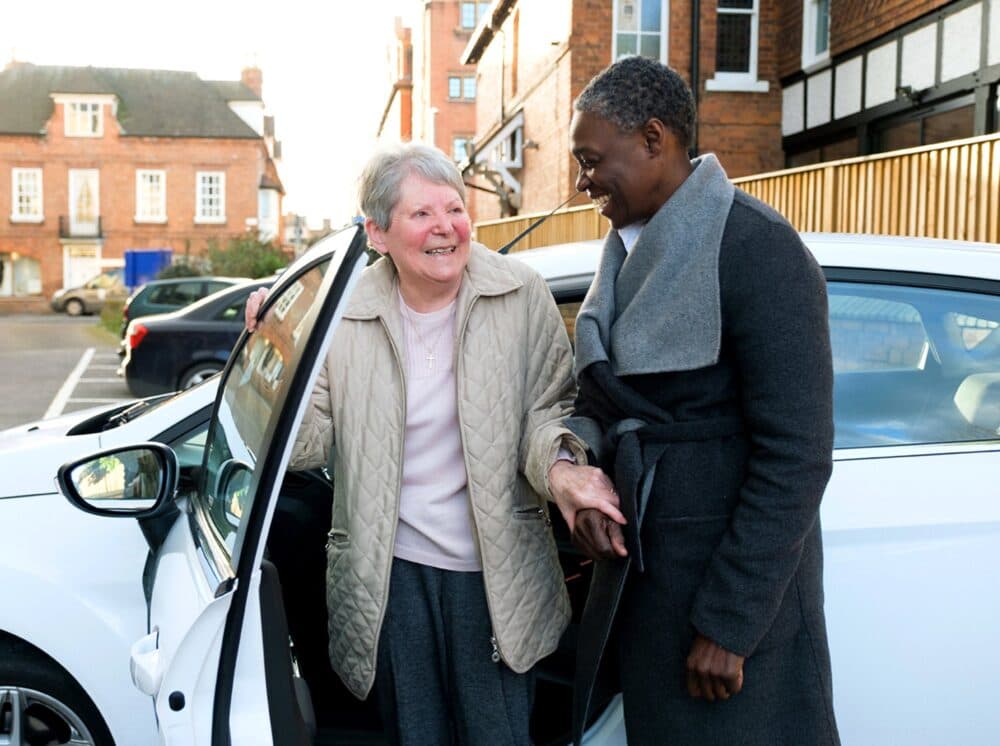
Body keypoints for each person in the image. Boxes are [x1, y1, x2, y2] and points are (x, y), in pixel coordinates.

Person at [245, 143, 622, 745]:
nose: (445, 227)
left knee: (496, 735)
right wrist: (278, 348)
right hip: (389, 575)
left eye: (454, 208)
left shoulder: (521, 294)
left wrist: (564, 470)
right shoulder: (342, 316)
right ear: (377, 233)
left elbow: (555, 410)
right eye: (421, 214)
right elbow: (304, 445)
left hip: (495, 573)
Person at [549, 56, 840, 745]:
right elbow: (603, 398)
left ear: (654, 139)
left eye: (592, 160)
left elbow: (796, 454)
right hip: (647, 588)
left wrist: (730, 624)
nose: (583, 181)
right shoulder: (622, 252)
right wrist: (582, 481)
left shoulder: (758, 249)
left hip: (728, 609)